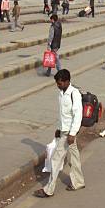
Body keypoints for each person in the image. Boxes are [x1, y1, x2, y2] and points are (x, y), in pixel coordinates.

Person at [33, 69, 85, 198]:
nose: (58, 85)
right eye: (57, 83)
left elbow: (77, 115)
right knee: (74, 158)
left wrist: (72, 134)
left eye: (60, 83)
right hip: (64, 130)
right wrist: (58, 128)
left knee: (56, 159)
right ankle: (78, 182)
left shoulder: (74, 94)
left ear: (67, 81)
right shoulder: (61, 93)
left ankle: (49, 190)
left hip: (69, 133)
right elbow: (63, 115)